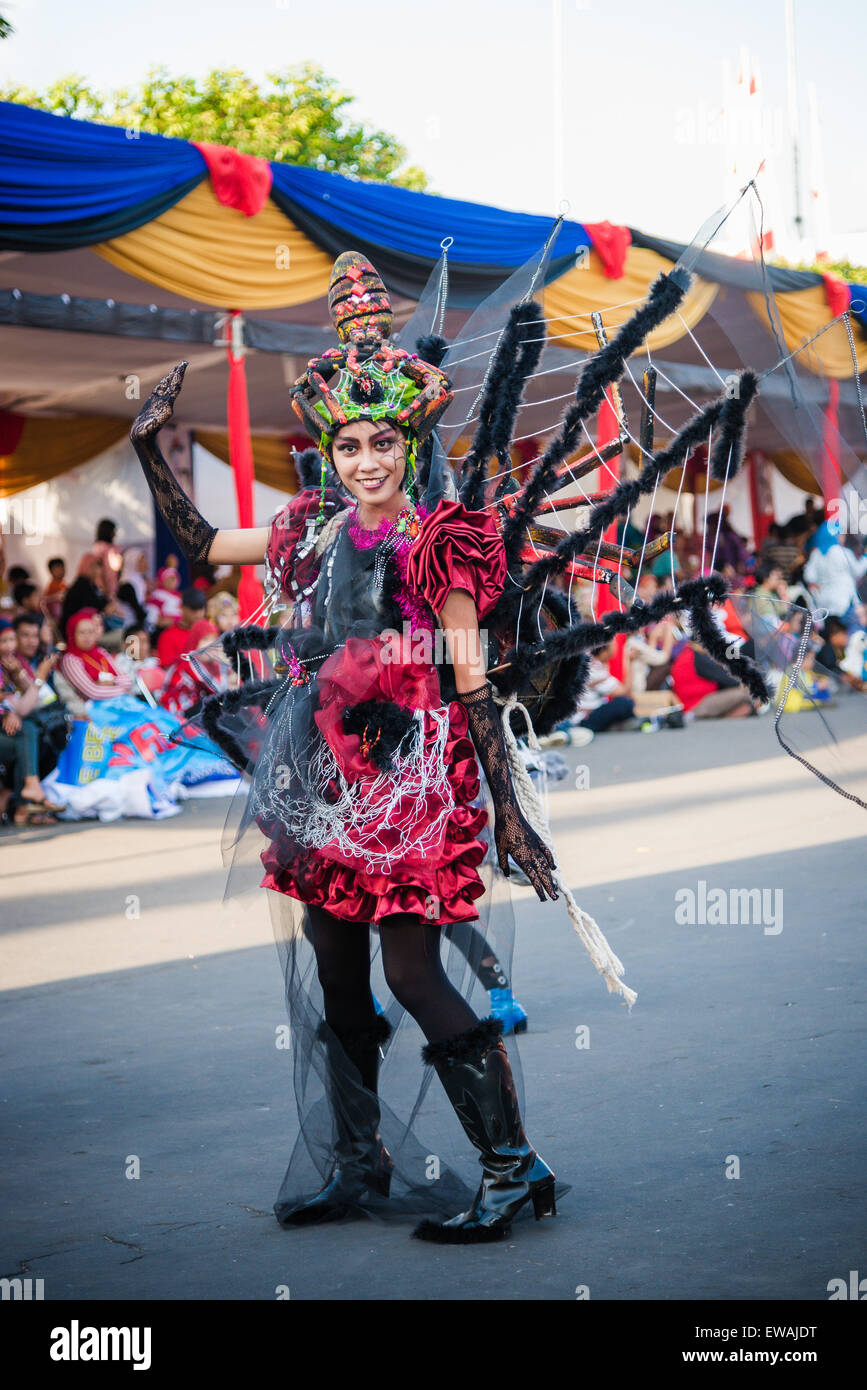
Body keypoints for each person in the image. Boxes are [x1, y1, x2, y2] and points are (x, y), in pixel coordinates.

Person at [129, 252, 567, 1245]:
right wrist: (150, 446)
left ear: (411, 444)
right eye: (350, 444)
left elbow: (471, 680)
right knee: (335, 975)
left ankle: (512, 1164)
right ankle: (360, 1160)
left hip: (414, 786)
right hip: (324, 785)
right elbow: (203, 544)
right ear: (330, 448)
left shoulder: (445, 539)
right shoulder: (311, 529)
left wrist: (510, 814)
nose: (366, 460)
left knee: (414, 975)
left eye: (383, 443)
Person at [0, 617, 66, 824]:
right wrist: (40, 677)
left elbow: (30, 701)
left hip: (13, 728)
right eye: (5, 641)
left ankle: (25, 799)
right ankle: (25, 800)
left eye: (11, 640)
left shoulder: (13, 665)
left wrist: (19, 674)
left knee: (32, 731)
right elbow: (24, 706)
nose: (10, 646)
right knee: (29, 732)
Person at [54, 609, 134, 714]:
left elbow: (127, 680)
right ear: (72, 634)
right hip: (94, 711)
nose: (87, 637)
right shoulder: (70, 660)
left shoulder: (101, 652)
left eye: (91, 632)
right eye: (82, 632)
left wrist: (112, 682)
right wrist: (123, 691)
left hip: (117, 704)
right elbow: (92, 692)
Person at [804, 521, 867, 631]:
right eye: (841, 534)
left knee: (833, 634)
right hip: (844, 602)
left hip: (824, 604)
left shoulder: (816, 553)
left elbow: (809, 576)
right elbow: (857, 571)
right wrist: (866, 556)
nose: (842, 538)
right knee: (853, 633)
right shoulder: (840, 552)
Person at [156, 586, 207, 668]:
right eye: (193, 609)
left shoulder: (209, 633)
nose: (198, 614)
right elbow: (167, 669)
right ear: (182, 608)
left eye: (201, 609)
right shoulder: (168, 636)